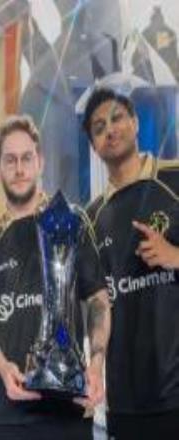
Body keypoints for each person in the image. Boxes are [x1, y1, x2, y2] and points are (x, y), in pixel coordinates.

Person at [0, 115, 111, 440]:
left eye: (26, 158)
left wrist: (96, 363)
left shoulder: (72, 222)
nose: (19, 169)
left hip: (69, 411)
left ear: (40, 162)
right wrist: (3, 367)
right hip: (10, 413)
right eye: (10, 160)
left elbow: (98, 301)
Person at [83, 88, 179, 439]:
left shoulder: (174, 181)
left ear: (136, 123)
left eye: (117, 118)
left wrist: (174, 256)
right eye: (98, 127)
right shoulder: (91, 218)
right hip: (125, 405)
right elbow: (97, 304)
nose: (110, 129)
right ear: (94, 147)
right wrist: (94, 364)